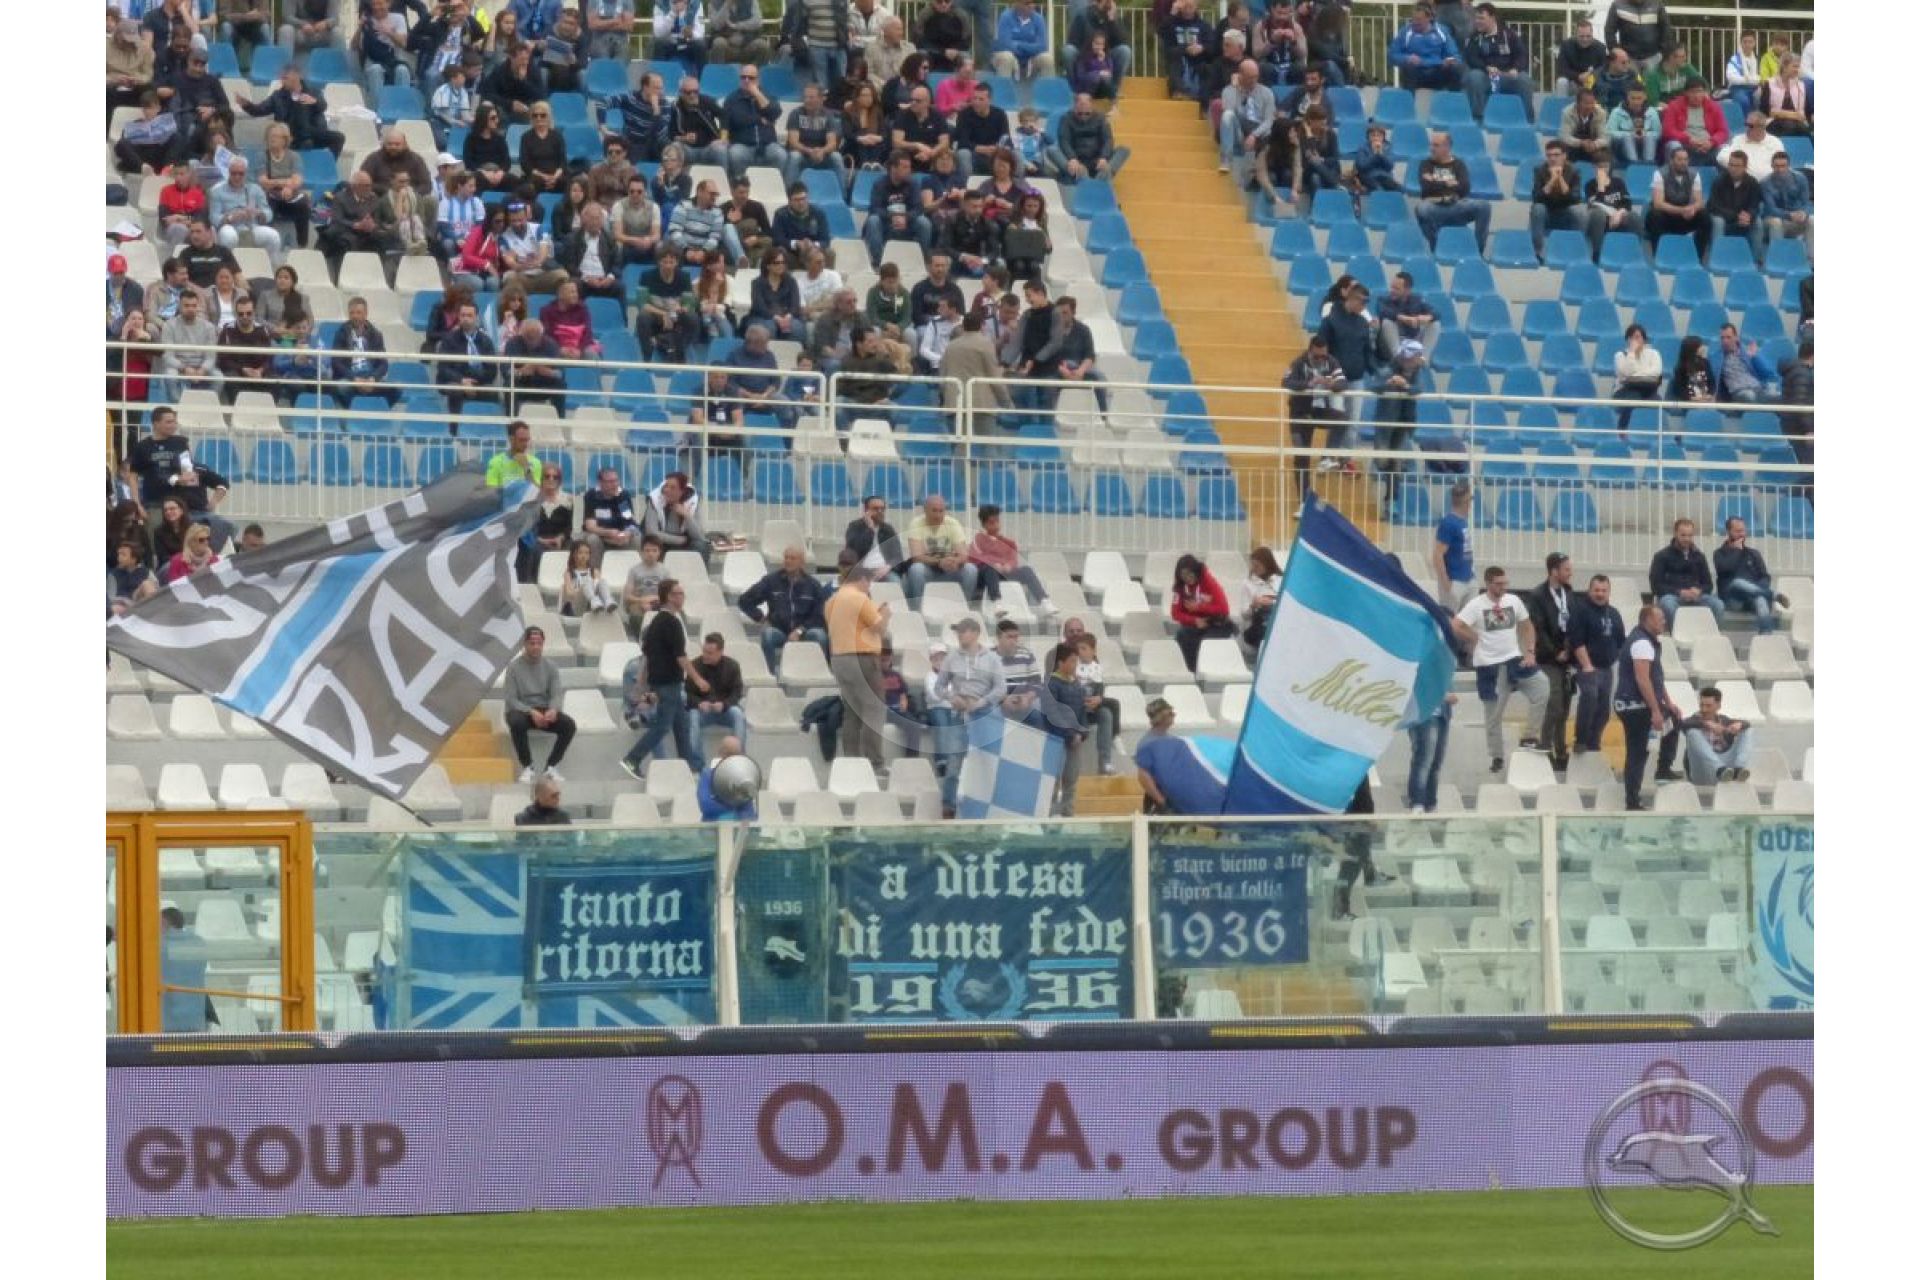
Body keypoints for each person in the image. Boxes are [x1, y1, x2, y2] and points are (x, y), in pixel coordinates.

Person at [1450, 566, 1548, 772]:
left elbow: (1527, 625)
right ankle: (1497, 756)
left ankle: (1530, 736)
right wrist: (1474, 637)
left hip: (1514, 659)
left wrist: (1530, 651)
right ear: (1488, 584)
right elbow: (1456, 625)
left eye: (1505, 583)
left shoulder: (1513, 600)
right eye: (1498, 584)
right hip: (1490, 666)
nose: (1503, 587)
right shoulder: (1476, 605)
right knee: (1493, 715)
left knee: (1542, 687)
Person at [620, 579, 696, 775]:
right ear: (669, 597)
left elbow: (646, 658)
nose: (682, 597)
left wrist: (640, 686)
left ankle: (688, 767)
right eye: (679, 593)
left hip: (665, 683)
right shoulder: (672, 623)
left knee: (681, 726)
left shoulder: (655, 622)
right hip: (669, 683)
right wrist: (698, 679)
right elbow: (680, 657)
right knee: (663, 726)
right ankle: (632, 759)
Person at [1614, 604, 1682, 809]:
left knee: (1674, 719)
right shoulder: (1642, 643)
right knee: (1638, 752)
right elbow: (1643, 679)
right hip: (1634, 706)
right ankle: (1632, 801)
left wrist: (1668, 703)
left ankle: (1663, 769)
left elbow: (1655, 678)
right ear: (1648, 620)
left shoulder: (1648, 641)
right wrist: (1655, 710)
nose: (1664, 622)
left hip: (1640, 704)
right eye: (1660, 618)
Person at [826, 566, 892, 773]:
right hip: (862, 657)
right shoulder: (860, 599)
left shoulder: (831, 601)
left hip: (839, 658)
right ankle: (875, 762)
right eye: (869, 582)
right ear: (862, 579)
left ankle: (851, 761)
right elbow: (880, 629)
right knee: (874, 709)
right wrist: (884, 614)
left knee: (852, 711)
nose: (869, 587)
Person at [1525, 552, 1578, 772]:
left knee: (1564, 707)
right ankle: (1545, 745)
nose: (1570, 573)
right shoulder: (1537, 595)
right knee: (1554, 704)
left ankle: (1561, 749)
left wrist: (1569, 649)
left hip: (1567, 658)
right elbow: (1538, 627)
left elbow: (1573, 623)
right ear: (1554, 571)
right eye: (1566, 569)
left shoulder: (1569, 593)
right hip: (1548, 658)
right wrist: (1555, 652)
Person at [739, 545, 829, 672]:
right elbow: (744, 600)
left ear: (802, 562)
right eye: (786, 558)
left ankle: (822, 673)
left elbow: (819, 615)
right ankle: (769, 676)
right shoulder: (771, 581)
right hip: (779, 630)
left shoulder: (813, 585)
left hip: (805, 631)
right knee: (768, 635)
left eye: (792, 558)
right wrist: (759, 617)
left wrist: (800, 631)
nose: (788, 561)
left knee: (820, 636)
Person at [504, 625, 575, 783]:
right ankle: (528, 767)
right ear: (524, 644)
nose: (536, 647)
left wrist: (553, 710)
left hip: (544, 710)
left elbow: (556, 694)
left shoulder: (551, 667)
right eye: (532, 643)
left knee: (568, 725)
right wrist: (530, 712)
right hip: (521, 710)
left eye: (539, 643)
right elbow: (511, 699)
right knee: (516, 723)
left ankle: (551, 767)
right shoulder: (513, 668)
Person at [1134, 698, 1228, 815]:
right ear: (1161, 717)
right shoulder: (1147, 743)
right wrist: (1161, 801)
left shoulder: (1173, 740)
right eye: (1171, 713)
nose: (1174, 715)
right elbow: (1143, 777)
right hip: (1160, 799)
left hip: (1174, 798)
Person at [1566, 573, 1625, 756]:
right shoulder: (1581, 611)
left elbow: (1621, 641)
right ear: (1589, 590)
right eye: (1596, 590)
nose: (1600, 594)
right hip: (1586, 666)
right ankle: (1581, 740)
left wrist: (1615, 658)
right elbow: (1576, 641)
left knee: (1604, 710)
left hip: (1606, 668)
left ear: (1609, 592)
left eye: (1604, 590)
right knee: (1590, 698)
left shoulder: (1614, 613)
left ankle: (1594, 742)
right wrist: (1587, 665)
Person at [967, 503, 1052, 617]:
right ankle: (996, 602)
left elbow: (1013, 559)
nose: (996, 525)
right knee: (990, 568)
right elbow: (976, 557)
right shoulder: (978, 539)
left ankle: (1044, 601)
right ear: (984, 524)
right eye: (991, 523)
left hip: (1004, 573)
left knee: (1026, 570)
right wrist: (994, 564)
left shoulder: (1008, 543)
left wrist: (1009, 565)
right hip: (986, 575)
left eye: (997, 521)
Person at [1414, 131, 1490, 255]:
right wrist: (1449, 184)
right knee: (1421, 209)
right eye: (1431, 145)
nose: (1431, 149)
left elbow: (1464, 188)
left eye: (1436, 145)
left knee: (1484, 206)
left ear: (1447, 147)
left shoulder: (1459, 164)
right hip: (1435, 206)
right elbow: (1426, 188)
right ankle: (1437, 247)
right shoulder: (1425, 164)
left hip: (1456, 205)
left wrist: (1435, 181)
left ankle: (1477, 251)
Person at [1713, 515, 1787, 635]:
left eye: (1743, 530)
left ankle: (1766, 635)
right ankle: (1771, 595)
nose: (1742, 534)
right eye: (1738, 531)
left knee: (1760, 599)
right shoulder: (1719, 553)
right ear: (1728, 532)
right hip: (1733, 599)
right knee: (1738, 582)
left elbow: (1765, 577)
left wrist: (1760, 588)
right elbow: (1724, 569)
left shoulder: (1753, 554)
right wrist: (1736, 551)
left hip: (1751, 597)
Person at [682, 632, 747, 765]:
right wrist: (699, 703)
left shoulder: (732, 666)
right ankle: (697, 763)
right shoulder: (695, 666)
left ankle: (737, 757)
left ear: (720, 652)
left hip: (724, 710)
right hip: (702, 711)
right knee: (693, 717)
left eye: (710, 653)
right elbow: (687, 694)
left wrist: (724, 704)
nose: (705, 655)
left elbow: (737, 692)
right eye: (704, 651)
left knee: (738, 714)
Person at [1461, 3, 1533, 122]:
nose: (1477, 21)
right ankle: (1478, 119)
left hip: (1506, 76)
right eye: (1476, 18)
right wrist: (1486, 67)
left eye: (1481, 18)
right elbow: (1471, 58)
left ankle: (1527, 121)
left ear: (1492, 18)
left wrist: (1515, 69)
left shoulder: (1509, 34)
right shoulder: (1474, 37)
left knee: (1524, 79)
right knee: (1474, 77)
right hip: (1486, 76)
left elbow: (1522, 55)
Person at [901, 494, 978, 604]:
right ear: (925, 510)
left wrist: (955, 561)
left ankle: (963, 607)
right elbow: (916, 557)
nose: (938, 515)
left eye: (941, 511)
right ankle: (917, 609)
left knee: (971, 569)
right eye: (934, 511)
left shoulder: (953, 523)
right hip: (928, 570)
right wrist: (939, 562)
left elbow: (964, 555)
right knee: (916, 569)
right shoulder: (916, 523)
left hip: (949, 570)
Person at [1649, 516, 1723, 629]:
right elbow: (1656, 586)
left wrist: (1699, 591)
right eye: (1683, 535)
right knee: (1668, 604)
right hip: (1673, 596)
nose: (1687, 539)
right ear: (1675, 534)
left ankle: (1709, 634)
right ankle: (1678, 633)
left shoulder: (1699, 556)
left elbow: (1708, 585)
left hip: (1696, 597)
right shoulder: (1661, 556)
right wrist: (1680, 592)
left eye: (1690, 535)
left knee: (1718, 605)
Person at [864, 150, 933, 268]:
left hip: (907, 224)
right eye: (905, 167)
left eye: (909, 167)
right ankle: (879, 263)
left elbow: (918, 208)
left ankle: (923, 261)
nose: (909, 170)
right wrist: (894, 217)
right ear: (893, 168)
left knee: (924, 222)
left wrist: (905, 218)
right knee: (873, 220)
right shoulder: (879, 184)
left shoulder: (913, 184)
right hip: (886, 224)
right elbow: (874, 208)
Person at [1170, 554, 1235, 673]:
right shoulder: (1180, 588)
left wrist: (1199, 607)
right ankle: (1191, 671)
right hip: (1196, 624)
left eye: (1190, 574)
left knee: (1206, 642)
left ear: (1195, 571)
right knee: (1182, 635)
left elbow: (1223, 609)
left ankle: (1208, 671)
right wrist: (1194, 620)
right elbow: (1175, 613)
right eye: (1183, 575)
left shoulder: (1209, 582)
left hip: (1216, 623)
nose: (1187, 578)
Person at [1527, 141, 1588, 261]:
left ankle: (1577, 249)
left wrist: (1559, 178)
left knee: (1580, 211)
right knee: (1538, 209)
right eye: (1549, 155)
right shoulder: (1540, 170)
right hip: (1546, 211)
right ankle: (1537, 252)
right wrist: (1551, 181)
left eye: (1556, 155)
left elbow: (1575, 198)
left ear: (1564, 156)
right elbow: (1536, 197)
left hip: (1566, 211)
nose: (1552, 158)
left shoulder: (1574, 171)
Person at [1706, 148, 1767, 265]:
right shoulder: (1719, 181)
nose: (1733, 168)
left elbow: (1755, 205)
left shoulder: (1752, 182)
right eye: (1731, 165)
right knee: (1718, 221)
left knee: (1758, 222)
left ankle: (1754, 262)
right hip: (1724, 218)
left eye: (1737, 166)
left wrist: (1749, 216)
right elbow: (1712, 205)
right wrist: (1735, 216)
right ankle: (1717, 259)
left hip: (1744, 221)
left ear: (1745, 167)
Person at [1681, 687, 1753, 785]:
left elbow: (1747, 723)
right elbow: (1682, 724)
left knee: (1747, 730)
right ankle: (1719, 769)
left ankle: (1738, 769)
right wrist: (1706, 724)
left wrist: (1739, 725)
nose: (1704, 709)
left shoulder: (1724, 720)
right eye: (1701, 705)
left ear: (1718, 706)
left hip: (1726, 771)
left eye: (1708, 706)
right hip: (1703, 769)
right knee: (1692, 733)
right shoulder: (1693, 721)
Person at [1388, 4, 1462, 91]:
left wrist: (1449, 61)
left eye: (1419, 19)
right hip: (1416, 71)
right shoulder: (1405, 32)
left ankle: (1452, 98)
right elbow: (1392, 55)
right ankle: (1410, 98)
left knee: (1455, 69)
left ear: (1428, 18)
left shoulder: (1442, 31)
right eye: (1413, 19)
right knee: (1409, 69)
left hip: (1437, 70)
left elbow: (1455, 55)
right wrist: (1407, 58)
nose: (1415, 22)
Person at [1659, 76, 1726, 169]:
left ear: (1705, 92)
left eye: (1699, 91)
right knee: (1674, 145)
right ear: (1686, 93)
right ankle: (1674, 175)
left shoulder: (1714, 106)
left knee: (1726, 152)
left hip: (1708, 145)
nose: (1696, 95)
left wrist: (1711, 142)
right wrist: (1688, 140)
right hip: (1684, 144)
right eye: (1693, 92)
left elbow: (1723, 131)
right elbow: (1668, 130)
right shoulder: (1674, 106)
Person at [1404, 693, 1456, 813]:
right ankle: (1417, 803)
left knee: (1436, 762)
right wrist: (1442, 696)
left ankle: (1430, 803)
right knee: (1423, 760)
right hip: (1422, 715)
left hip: (1442, 714)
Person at [578, 465, 639, 566]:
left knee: (637, 537)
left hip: (619, 534)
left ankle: (631, 570)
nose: (615, 485)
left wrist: (626, 534)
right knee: (593, 539)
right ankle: (595, 570)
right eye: (610, 481)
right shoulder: (592, 495)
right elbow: (590, 526)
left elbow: (629, 521)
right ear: (600, 483)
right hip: (599, 534)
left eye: (616, 481)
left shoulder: (623, 495)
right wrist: (608, 533)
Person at [641, 471, 707, 564]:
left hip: (685, 543)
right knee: (651, 544)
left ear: (682, 491)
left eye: (672, 488)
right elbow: (651, 532)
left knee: (701, 545)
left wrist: (687, 515)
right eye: (666, 486)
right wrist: (680, 540)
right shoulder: (654, 500)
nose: (667, 490)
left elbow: (699, 536)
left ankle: (698, 573)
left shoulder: (692, 502)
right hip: (662, 542)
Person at [1760, 150, 1813, 261]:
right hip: (1772, 221)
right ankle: (1778, 259)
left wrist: (1803, 213)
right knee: (1776, 222)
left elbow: (1806, 202)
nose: (1780, 169)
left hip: (1794, 220)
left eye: (1783, 166)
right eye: (1777, 166)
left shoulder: (1801, 179)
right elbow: (1771, 209)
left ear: (1789, 166)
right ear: (1772, 166)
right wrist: (1789, 215)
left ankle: (1812, 259)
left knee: (1812, 220)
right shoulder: (1765, 183)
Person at [1611, 323, 1663, 435]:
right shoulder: (1620, 356)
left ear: (1644, 339)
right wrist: (1631, 353)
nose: (1635, 340)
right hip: (1624, 391)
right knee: (1633, 399)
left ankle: (1653, 433)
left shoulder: (1654, 354)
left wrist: (1637, 375)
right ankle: (1622, 431)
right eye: (1631, 337)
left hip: (1648, 389)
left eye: (1638, 337)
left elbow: (1656, 372)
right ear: (1627, 340)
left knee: (1657, 401)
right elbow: (1627, 373)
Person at [620, 534, 670, 638]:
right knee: (636, 615)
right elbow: (627, 596)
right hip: (638, 603)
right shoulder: (634, 571)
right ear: (642, 552)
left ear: (659, 552)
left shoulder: (664, 571)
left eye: (654, 550)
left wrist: (654, 602)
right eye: (647, 550)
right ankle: (642, 640)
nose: (650, 554)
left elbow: (668, 594)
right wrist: (642, 601)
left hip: (658, 603)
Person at [991, 0, 1053, 81]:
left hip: (1031, 58)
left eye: (1033, 3)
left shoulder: (1039, 19)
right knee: (1007, 57)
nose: (1031, 6)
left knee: (1047, 58)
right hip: (1010, 55)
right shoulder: (1006, 17)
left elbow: (1042, 46)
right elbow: (1005, 44)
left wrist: (1019, 45)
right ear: (1017, 4)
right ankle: (1004, 88)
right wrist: (1031, 48)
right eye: (1027, 3)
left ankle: (1047, 89)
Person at [1605, 0, 1672, 73]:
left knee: (1651, 80)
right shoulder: (1617, 5)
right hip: (1628, 58)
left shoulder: (1657, 4)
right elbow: (1609, 30)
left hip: (1653, 57)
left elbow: (1666, 28)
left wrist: (1663, 52)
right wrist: (1615, 51)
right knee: (1631, 80)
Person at [1239, 546, 1282, 650]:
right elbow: (1244, 614)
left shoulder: (1280, 580)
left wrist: (1273, 602)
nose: (1254, 568)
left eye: (1257, 565)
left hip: (1277, 623)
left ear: (1267, 564)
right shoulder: (1247, 584)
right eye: (1253, 565)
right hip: (1256, 627)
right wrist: (1253, 605)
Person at [1554, 16, 1606, 96]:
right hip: (1573, 82)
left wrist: (1591, 75)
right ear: (1576, 34)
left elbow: (1604, 69)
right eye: (1582, 36)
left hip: (1592, 83)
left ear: (1592, 34)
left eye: (1588, 36)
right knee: (1561, 82)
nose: (1585, 39)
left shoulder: (1601, 48)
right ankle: (1562, 104)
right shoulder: (1566, 46)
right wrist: (1578, 76)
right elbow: (1561, 69)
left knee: (1603, 83)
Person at [485, 419, 542, 489]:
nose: (525, 444)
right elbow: (491, 490)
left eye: (527, 440)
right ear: (511, 439)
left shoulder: (535, 462)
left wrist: (526, 468)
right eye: (521, 440)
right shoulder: (496, 462)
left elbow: (537, 491)